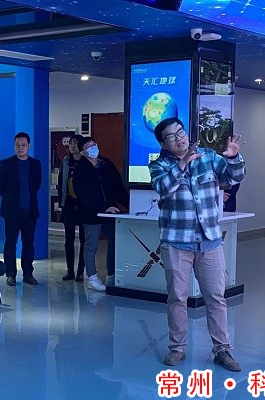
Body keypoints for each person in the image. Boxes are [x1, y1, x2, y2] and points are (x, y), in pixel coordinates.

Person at [148, 117, 245, 371]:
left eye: (180, 132)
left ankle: (223, 350)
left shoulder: (209, 156)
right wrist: (182, 164)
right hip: (176, 241)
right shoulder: (158, 165)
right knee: (177, 298)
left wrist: (233, 157)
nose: (179, 138)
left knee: (215, 297)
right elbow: (163, 188)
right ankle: (177, 348)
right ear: (163, 143)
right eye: (171, 136)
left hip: (209, 239)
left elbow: (235, 176)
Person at [73, 136, 128, 292]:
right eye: (88, 147)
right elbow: (84, 195)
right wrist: (102, 208)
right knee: (91, 246)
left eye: (94, 145)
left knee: (114, 240)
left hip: (111, 212)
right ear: (82, 152)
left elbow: (117, 186)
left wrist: (128, 204)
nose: (93, 148)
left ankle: (111, 274)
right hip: (91, 213)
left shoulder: (106, 164)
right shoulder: (80, 170)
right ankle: (92, 277)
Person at [0, 132, 42, 286]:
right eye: (17, 145)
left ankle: (28, 273)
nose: (20, 148)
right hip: (12, 211)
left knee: (29, 244)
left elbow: (37, 185)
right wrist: (10, 199)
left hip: (30, 211)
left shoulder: (35, 164)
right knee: (10, 243)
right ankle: (11, 274)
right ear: (14, 146)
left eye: (23, 145)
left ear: (29, 146)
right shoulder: (6, 163)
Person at [57, 134, 86, 282]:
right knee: (68, 240)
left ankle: (80, 271)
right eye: (71, 143)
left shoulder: (86, 161)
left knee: (84, 240)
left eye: (75, 143)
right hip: (69, 204)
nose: (72, 146)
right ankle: (70, 271)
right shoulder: (66, 161)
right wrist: (61, 202)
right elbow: (61, 182)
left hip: (83, 206)